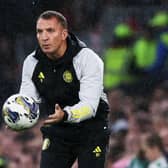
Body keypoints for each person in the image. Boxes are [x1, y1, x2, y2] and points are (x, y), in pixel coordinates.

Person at [19, 10, 109, 168]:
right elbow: (28, 101)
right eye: (39, 32)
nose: (44, 37)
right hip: (58, 131)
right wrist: (17, 115)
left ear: (64, 34)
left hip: (91, 131)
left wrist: (66, 114)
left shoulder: (87, 59)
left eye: (50, 31)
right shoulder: (31, 62)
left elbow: (89, 106)